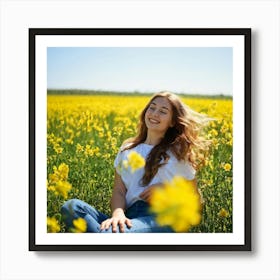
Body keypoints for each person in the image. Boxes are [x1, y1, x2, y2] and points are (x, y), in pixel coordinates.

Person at [61, 91, 210, 233]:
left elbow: (195, 201)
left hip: (162, 219)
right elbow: (119, 191)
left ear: (172, 122)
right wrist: (118, 214)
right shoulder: (127, 148)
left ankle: (111, 237)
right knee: (71, 207)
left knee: (109, 234)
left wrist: (168, 191)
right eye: (152, 108)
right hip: (129, 219)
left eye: (163, 111)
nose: (154, 114)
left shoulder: (178, 153)